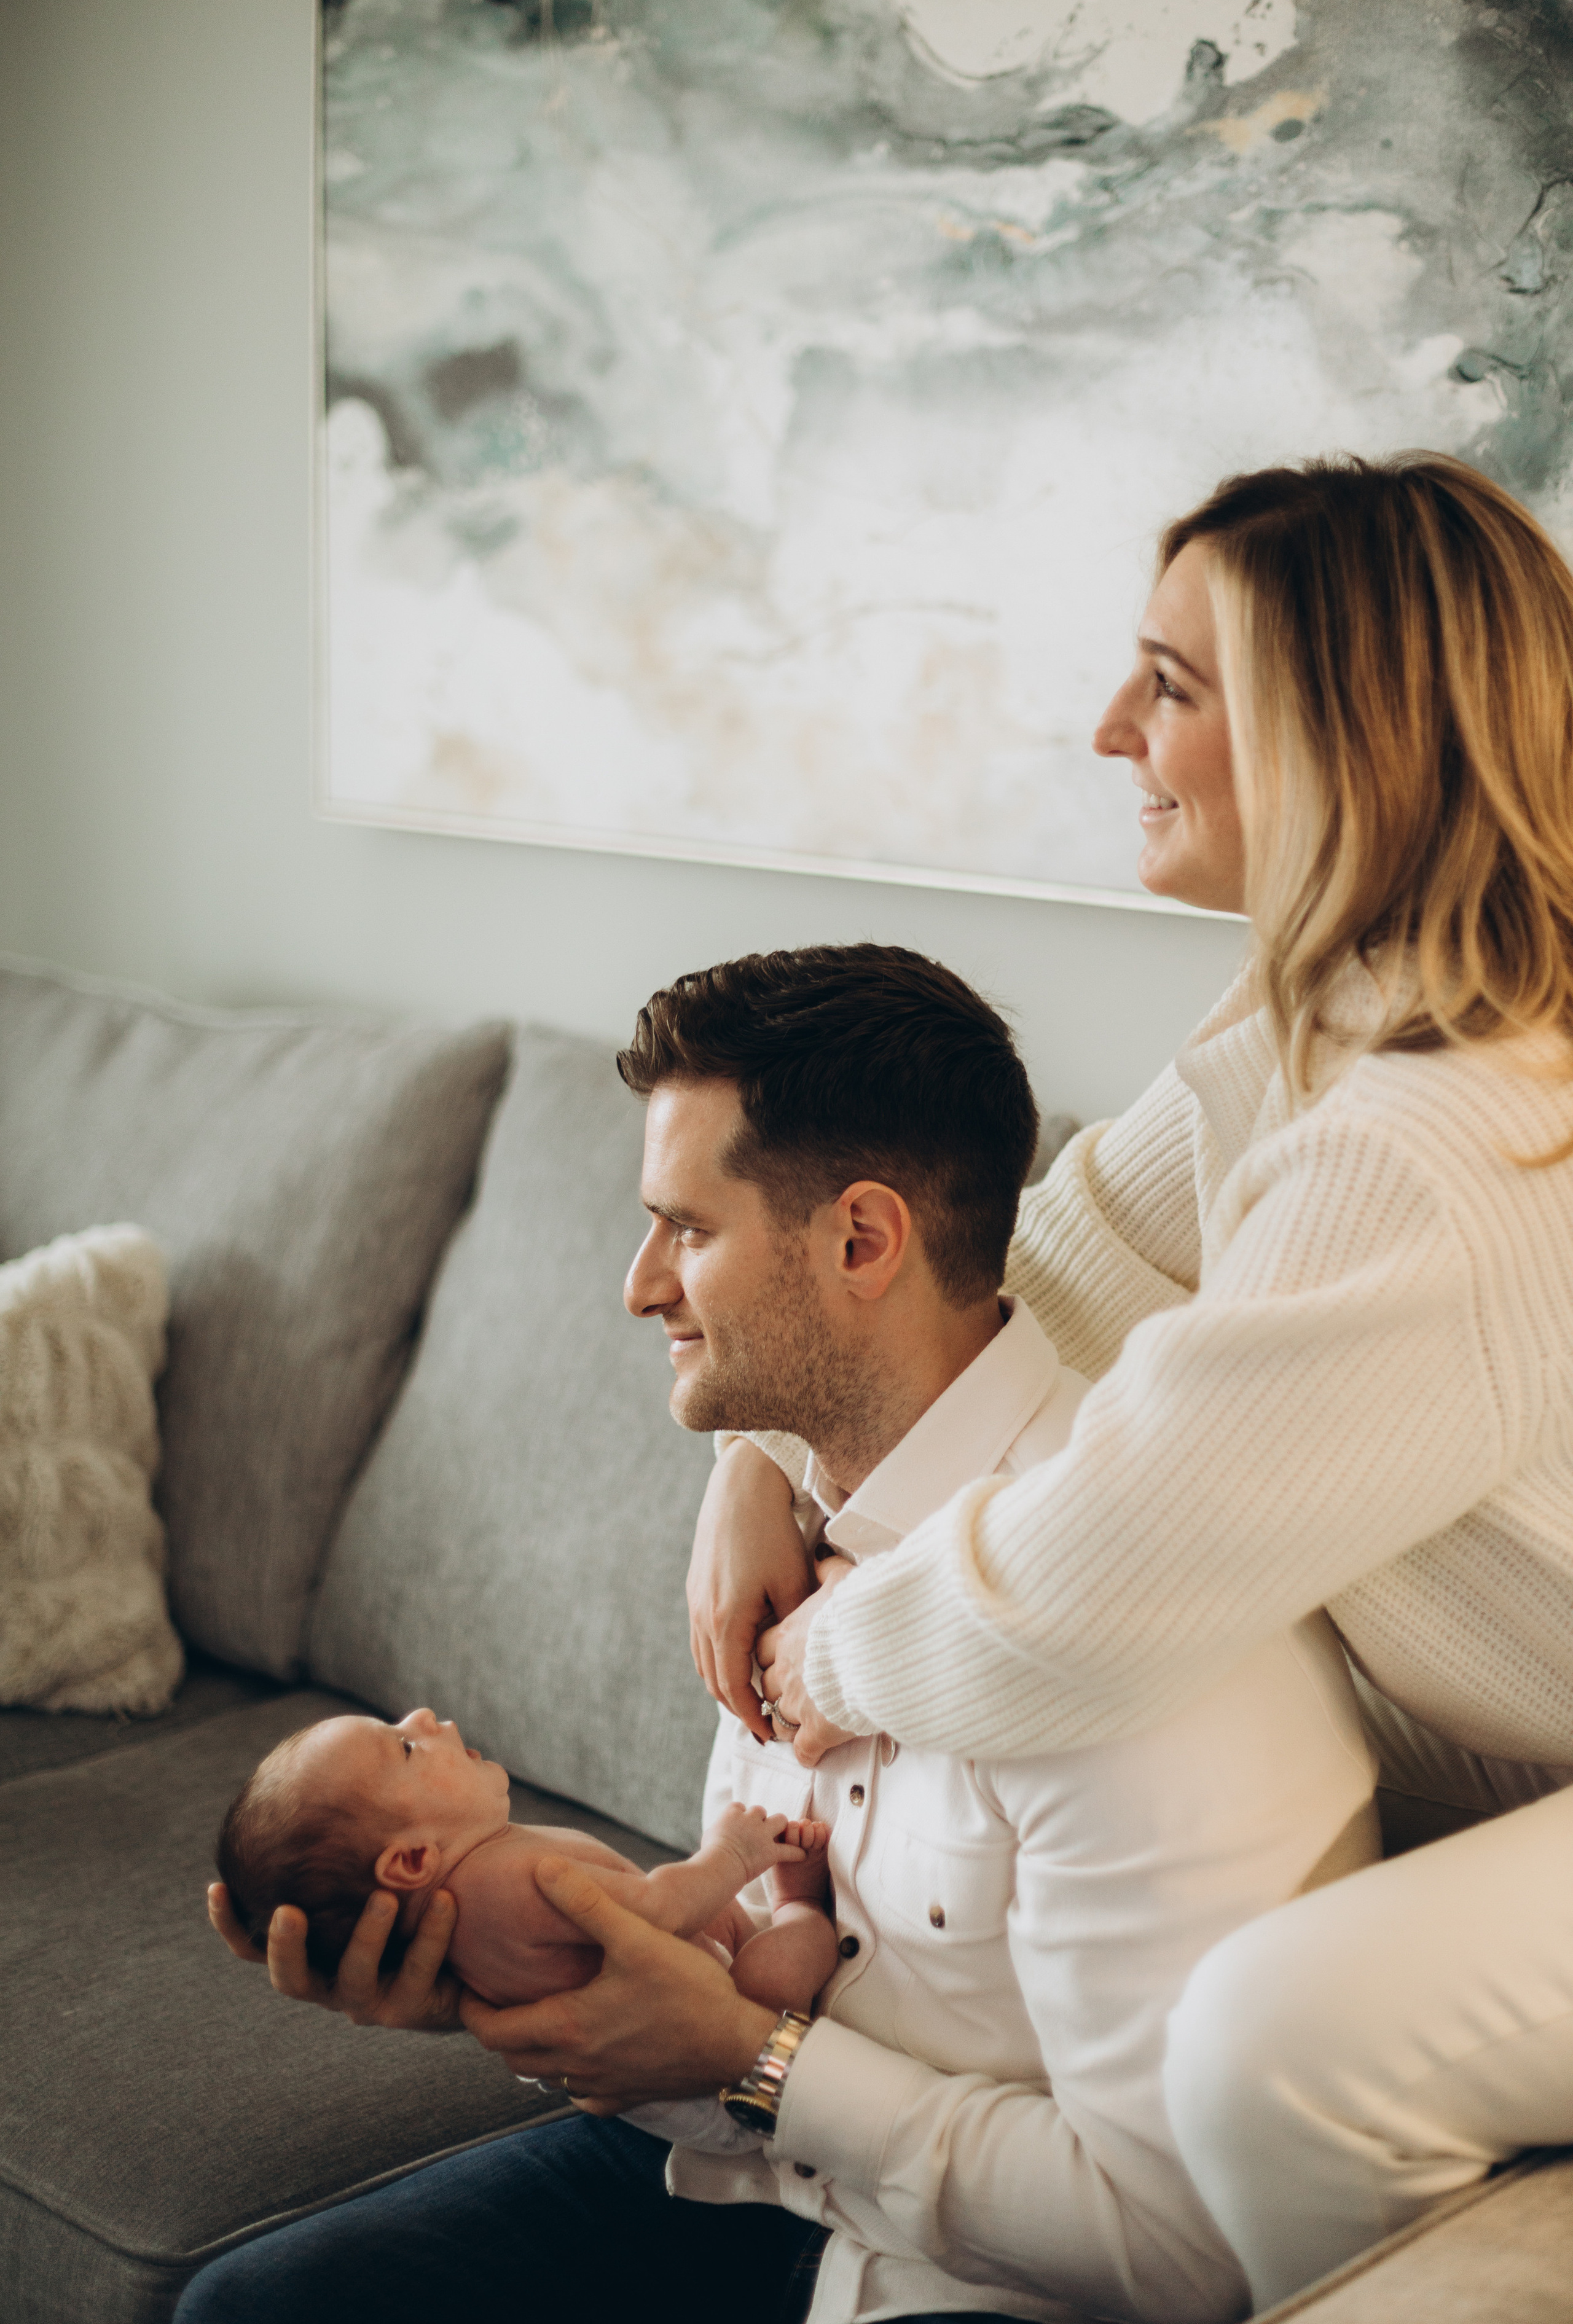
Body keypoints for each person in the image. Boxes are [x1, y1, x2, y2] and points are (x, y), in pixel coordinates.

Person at [186, 942, 1376, 2324]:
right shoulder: (782, 1533)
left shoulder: (1128, 1627)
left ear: (861, 1241)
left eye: (685, 1230)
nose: (638, 1287)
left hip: (994, 2277)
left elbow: (1183, 2252)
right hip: (746, 2182)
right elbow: (711, 2002)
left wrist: (756, 2060)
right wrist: (514, 1988)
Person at [693, 454, 1573, 2310]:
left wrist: (810, 1662)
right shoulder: (1304, 1032)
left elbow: (1077, 1594)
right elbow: (1046, 1267)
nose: (1109, 729)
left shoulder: (1432, 1146)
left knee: (1280, 2035)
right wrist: (762, 1461)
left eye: (1167, 683)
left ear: (1348, 734)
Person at [216, 1706, 834, 2017]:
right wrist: (731, 1853)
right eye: (404, 1745)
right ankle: (801, 1909)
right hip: (727, 2023)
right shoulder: (502, 1885)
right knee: (769, 1984)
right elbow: (656, 1910)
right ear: (410, 1859)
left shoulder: (474, 1893)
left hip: (684, 2010)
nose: (424, 1717)